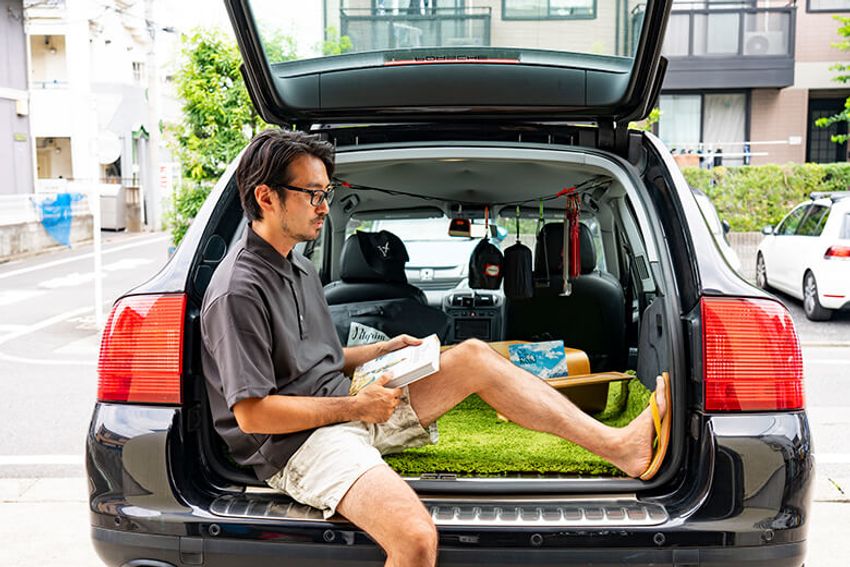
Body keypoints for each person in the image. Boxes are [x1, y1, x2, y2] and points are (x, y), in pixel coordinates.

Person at [201, 129, 668, 567]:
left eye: (328, 194)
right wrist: (355, 406)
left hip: (345, 404)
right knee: (416, 538)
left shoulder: (298, 266)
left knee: (473, 356)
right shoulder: (238, 290)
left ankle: (619, 446)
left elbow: (315, 360)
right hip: (297, 444)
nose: (324, 206)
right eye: (314, 194)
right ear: (267, 197)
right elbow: (254, 415)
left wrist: (380, 350)